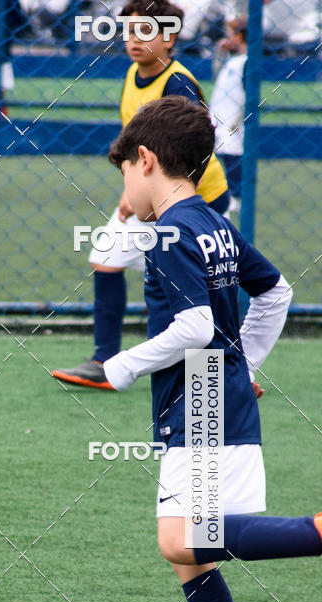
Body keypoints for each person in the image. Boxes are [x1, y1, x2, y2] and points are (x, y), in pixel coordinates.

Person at [103, 95, 321, 602]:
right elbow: (275, 291)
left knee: (180, 539)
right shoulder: (211, 223)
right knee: (190, 552)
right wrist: (244, 364)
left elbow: (196, 326)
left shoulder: (171, 230)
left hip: (198, 399)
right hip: (217, 393)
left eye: (125, 172)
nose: (124, 190)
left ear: (146, 159)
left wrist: (123, 364)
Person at [51, 0, 229, 389]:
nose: (134, 39)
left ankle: (229, 373)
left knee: (204, 290)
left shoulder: (178, 84)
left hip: (196, 200)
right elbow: (138, 146)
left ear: (170, 39)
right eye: (129, 31)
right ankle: (103, 361)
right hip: (153, 196)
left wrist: (157, 197)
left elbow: (196, 149)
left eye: (145, 32)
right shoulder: (134, 73)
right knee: (105, 258)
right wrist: (132, 191)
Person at [209, 17, 248, 213]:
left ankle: (237, 195)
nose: (227, 38)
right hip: (220, 114)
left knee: (232, 153)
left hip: (233, 118)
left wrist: (239, 118)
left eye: (230, 34)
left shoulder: (246, 62)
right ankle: (224, 192)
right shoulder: (232, 60)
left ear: (239, 36)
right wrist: (219, 53)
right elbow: (216, 76)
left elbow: (248, 93)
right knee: (222, 154)